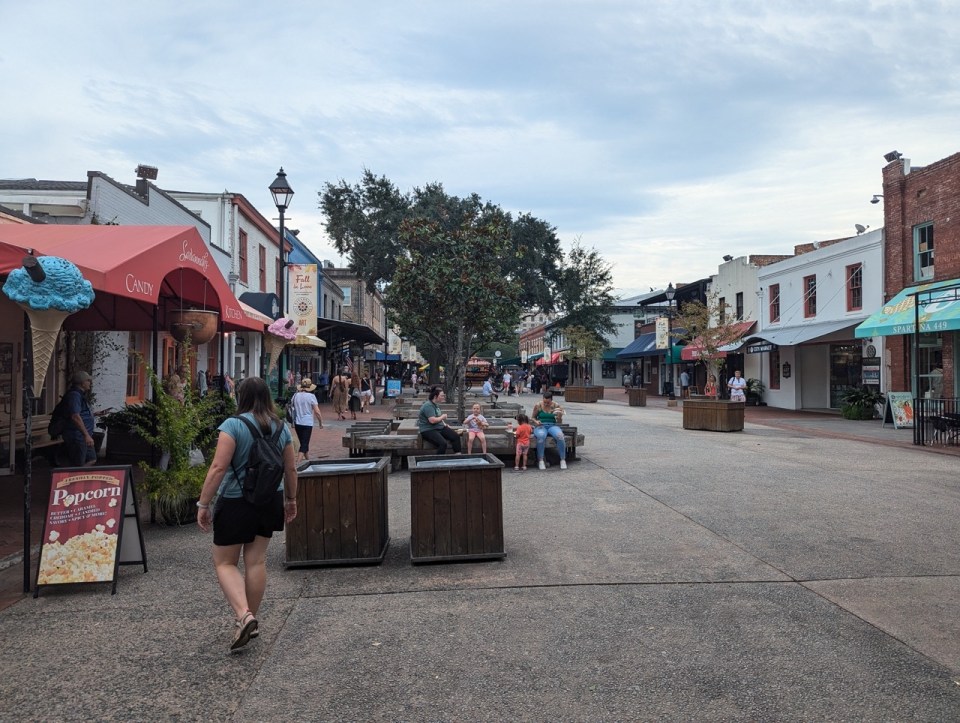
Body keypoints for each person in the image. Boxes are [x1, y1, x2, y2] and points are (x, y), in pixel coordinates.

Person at [195, 377, 298, 652]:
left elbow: (218, 467)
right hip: (270, 500)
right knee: (256, 562)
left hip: (235, 501)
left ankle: (244, 615)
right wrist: (291, 499)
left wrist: (203, 504)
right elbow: (290, 469)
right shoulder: (281, 427)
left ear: (240, 397)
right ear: (267, 397)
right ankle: (248, 619)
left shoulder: (233, 425)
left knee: (225, 563)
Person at [61, 370, 97, 467]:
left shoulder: (80, 394)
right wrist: (86, 435)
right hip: (77, 435)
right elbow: (75, 416)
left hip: (84, 435)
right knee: (78, 463)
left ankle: (80, 476)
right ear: (82, 383)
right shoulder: (74, 395)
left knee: (92, 459)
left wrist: (94, 414)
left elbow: (81, 413)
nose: (90, 383)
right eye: (88, 381)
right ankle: (74, 479)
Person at [417, 386, 461, 454]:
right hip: (428, 429)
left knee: (455, 437)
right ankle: (438, 461)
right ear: (435, 396)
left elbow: (438, 416)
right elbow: (432, 420)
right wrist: (443, 417)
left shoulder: (436, 404)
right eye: (442, 396)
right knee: (443, 443)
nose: (443, 397)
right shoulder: (428, 406)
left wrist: (444, 424)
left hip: (439, 427)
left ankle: (458, 455)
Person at [531, 390, 567, 471]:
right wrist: (536, 421)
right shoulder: (538, 405)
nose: (546, 404)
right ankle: (540, 460)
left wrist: (559, 417)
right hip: (541, 425)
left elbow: (559, 422)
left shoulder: (556, 406)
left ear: (551, 400)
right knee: (541, 437)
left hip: (552, 425)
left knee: (560, 436)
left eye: (548, 402)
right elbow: (533, 417)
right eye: (545, 402)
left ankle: (562, 459)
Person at [290, 378, 324, 463]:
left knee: (303, 441)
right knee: (304, 444)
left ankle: (308, 460)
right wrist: (320, 422)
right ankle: (298, 463)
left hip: (297, 422)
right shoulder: (311, 397)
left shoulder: (295, 396)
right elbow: (317, 411)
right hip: (307, 422)